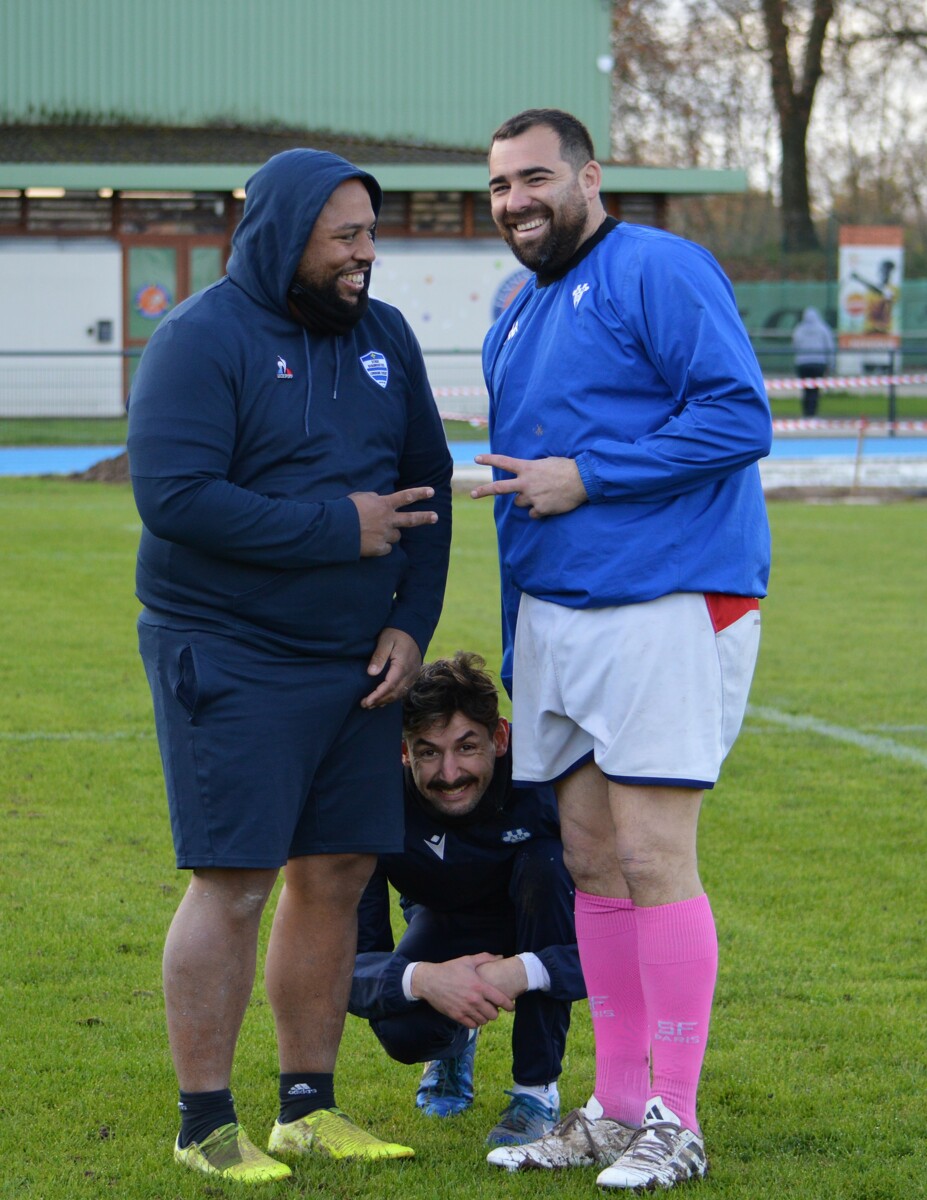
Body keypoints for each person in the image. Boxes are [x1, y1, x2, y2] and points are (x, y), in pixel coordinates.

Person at [127, 148, 453, 1183]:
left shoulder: (385, 336)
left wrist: (411, 624)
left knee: (339, 875)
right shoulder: (200, 337)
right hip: (231, 650)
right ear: (283, 237)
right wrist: (334, 528)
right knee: (233, 883)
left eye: (371, 233)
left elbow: (428, 487)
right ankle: (204, 1125)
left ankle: (307, 1109)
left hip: (359, 661)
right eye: (344, 235)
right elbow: (173, 497)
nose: (366, 253)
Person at [470, 109, 771, 1191]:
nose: (516, 202)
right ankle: (612, 1108)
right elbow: (521, 496)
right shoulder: (512, 310)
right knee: (590, 861)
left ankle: (674, 1120)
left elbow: (738, 415)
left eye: (535, 178)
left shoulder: (658, 267)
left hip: (662, 601)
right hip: (554, 619)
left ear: (589, 176)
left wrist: (590, 475)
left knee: (651, 858)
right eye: (499, 186)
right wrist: (519, 646)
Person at [348, 652, 585, 1147]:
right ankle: (453, 1046)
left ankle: (536, 1092)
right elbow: (345, 966)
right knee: (402, 1030)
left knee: (545, 866)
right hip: (445, 919)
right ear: (404, 752)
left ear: (500, 738)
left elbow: (620, 946)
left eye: (467, 746)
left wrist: (525, 970)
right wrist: (425, 979)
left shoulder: (549, 778)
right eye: (428, 752)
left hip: (539, 917)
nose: (450, 772)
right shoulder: (372, 799)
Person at [791, 306, 835, 417]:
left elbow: (795, 345)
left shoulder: (799, 329)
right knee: (815, 390)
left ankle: (806, 413)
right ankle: (813, 413)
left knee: (806, 389)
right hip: (819, 363)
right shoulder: (823, 328)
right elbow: (829, 346)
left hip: (803, 364)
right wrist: (831, 364)